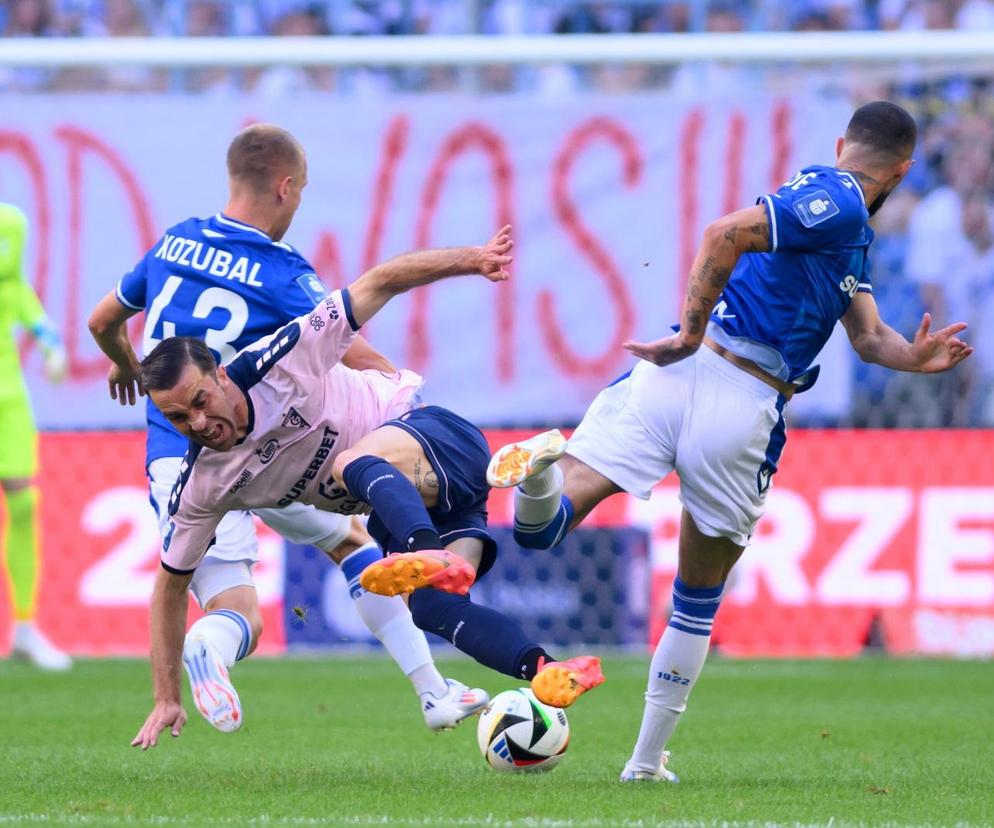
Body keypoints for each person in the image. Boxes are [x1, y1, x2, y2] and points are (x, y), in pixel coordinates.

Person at [487, 101, 973, 782]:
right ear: (902, 170)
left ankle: (538, 476)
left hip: (670, 384)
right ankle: (645, 761)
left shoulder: (844, 228)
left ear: (841, 144)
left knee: (542, 531)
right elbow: (723, 234)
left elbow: (866, 337)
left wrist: (912, 357)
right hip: (735, 396)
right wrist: (687, 332)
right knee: (697, 595)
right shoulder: (837, 201)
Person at [131, 227, 604, 750]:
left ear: (220, 375)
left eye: (199, 400)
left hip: (433, 437)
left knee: (350, 462)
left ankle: (433, 551)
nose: (196, 422)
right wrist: (164, 696)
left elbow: (382, 280)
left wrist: (474, 258)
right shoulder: (203, 484)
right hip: (424, 501)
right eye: (178, 417)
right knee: (433, 610)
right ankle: (550, 669)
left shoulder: (283, 357)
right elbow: (170, 586)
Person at [89, 124, 486, 735]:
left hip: (183, 460)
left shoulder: (175, 242)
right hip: (260, 449)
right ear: (285, 186)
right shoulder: (280, 271)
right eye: (299, 195)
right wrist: (397, 392)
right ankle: (423, 689)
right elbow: (342, 337)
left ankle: (433, 691)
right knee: (332, 556)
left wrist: (125, 362)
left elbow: (101, 319)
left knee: (275, 578)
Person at [0, 202, 71, 671]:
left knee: (24, 505)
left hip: (9, 403)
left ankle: (25, 627)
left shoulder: (13, 230)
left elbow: (36, 317)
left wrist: (52, 350)